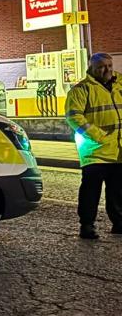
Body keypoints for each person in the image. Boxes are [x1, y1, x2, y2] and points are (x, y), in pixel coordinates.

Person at [66, 52, 122, 239]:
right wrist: (98, 136)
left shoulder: (120, 84)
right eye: (101, 66)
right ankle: (87, 225)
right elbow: (74, 117)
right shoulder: (81, 89)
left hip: (118, 150)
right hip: (95, 151)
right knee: (91, 191)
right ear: (92, 68)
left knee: (118, 191)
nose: (106, 69)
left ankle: (119, 223)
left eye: (109, 65)